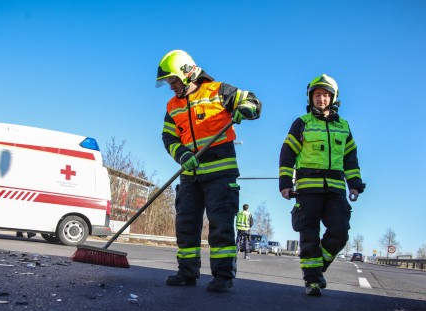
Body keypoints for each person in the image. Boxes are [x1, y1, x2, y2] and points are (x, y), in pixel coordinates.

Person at [156, 49, 261, 293]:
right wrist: (182, 155)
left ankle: (223, 276)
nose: (171, 86)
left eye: (172, 80)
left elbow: (253, 101)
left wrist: (245, 108)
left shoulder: (218, 91)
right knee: (186, 224)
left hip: (220, 174)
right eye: (168, 81)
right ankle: (187, 272)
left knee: (221, 225)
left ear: (187, 74)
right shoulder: (172, 106)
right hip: (191, 175)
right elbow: (168, 137)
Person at [278, 74, 365, 296]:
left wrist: (354, 184)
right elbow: (287, 154)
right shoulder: (301, 123)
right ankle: (313, 281)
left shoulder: (343, 126)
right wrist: (285, 183)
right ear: (311, 98)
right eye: (317, 95)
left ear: (333, 98)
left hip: (335, 189)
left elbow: (350, 159)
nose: (321, 99)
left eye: (326, 95)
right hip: (308, 189)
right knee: (309, 234)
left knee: (340, 232)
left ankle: (318, 268)